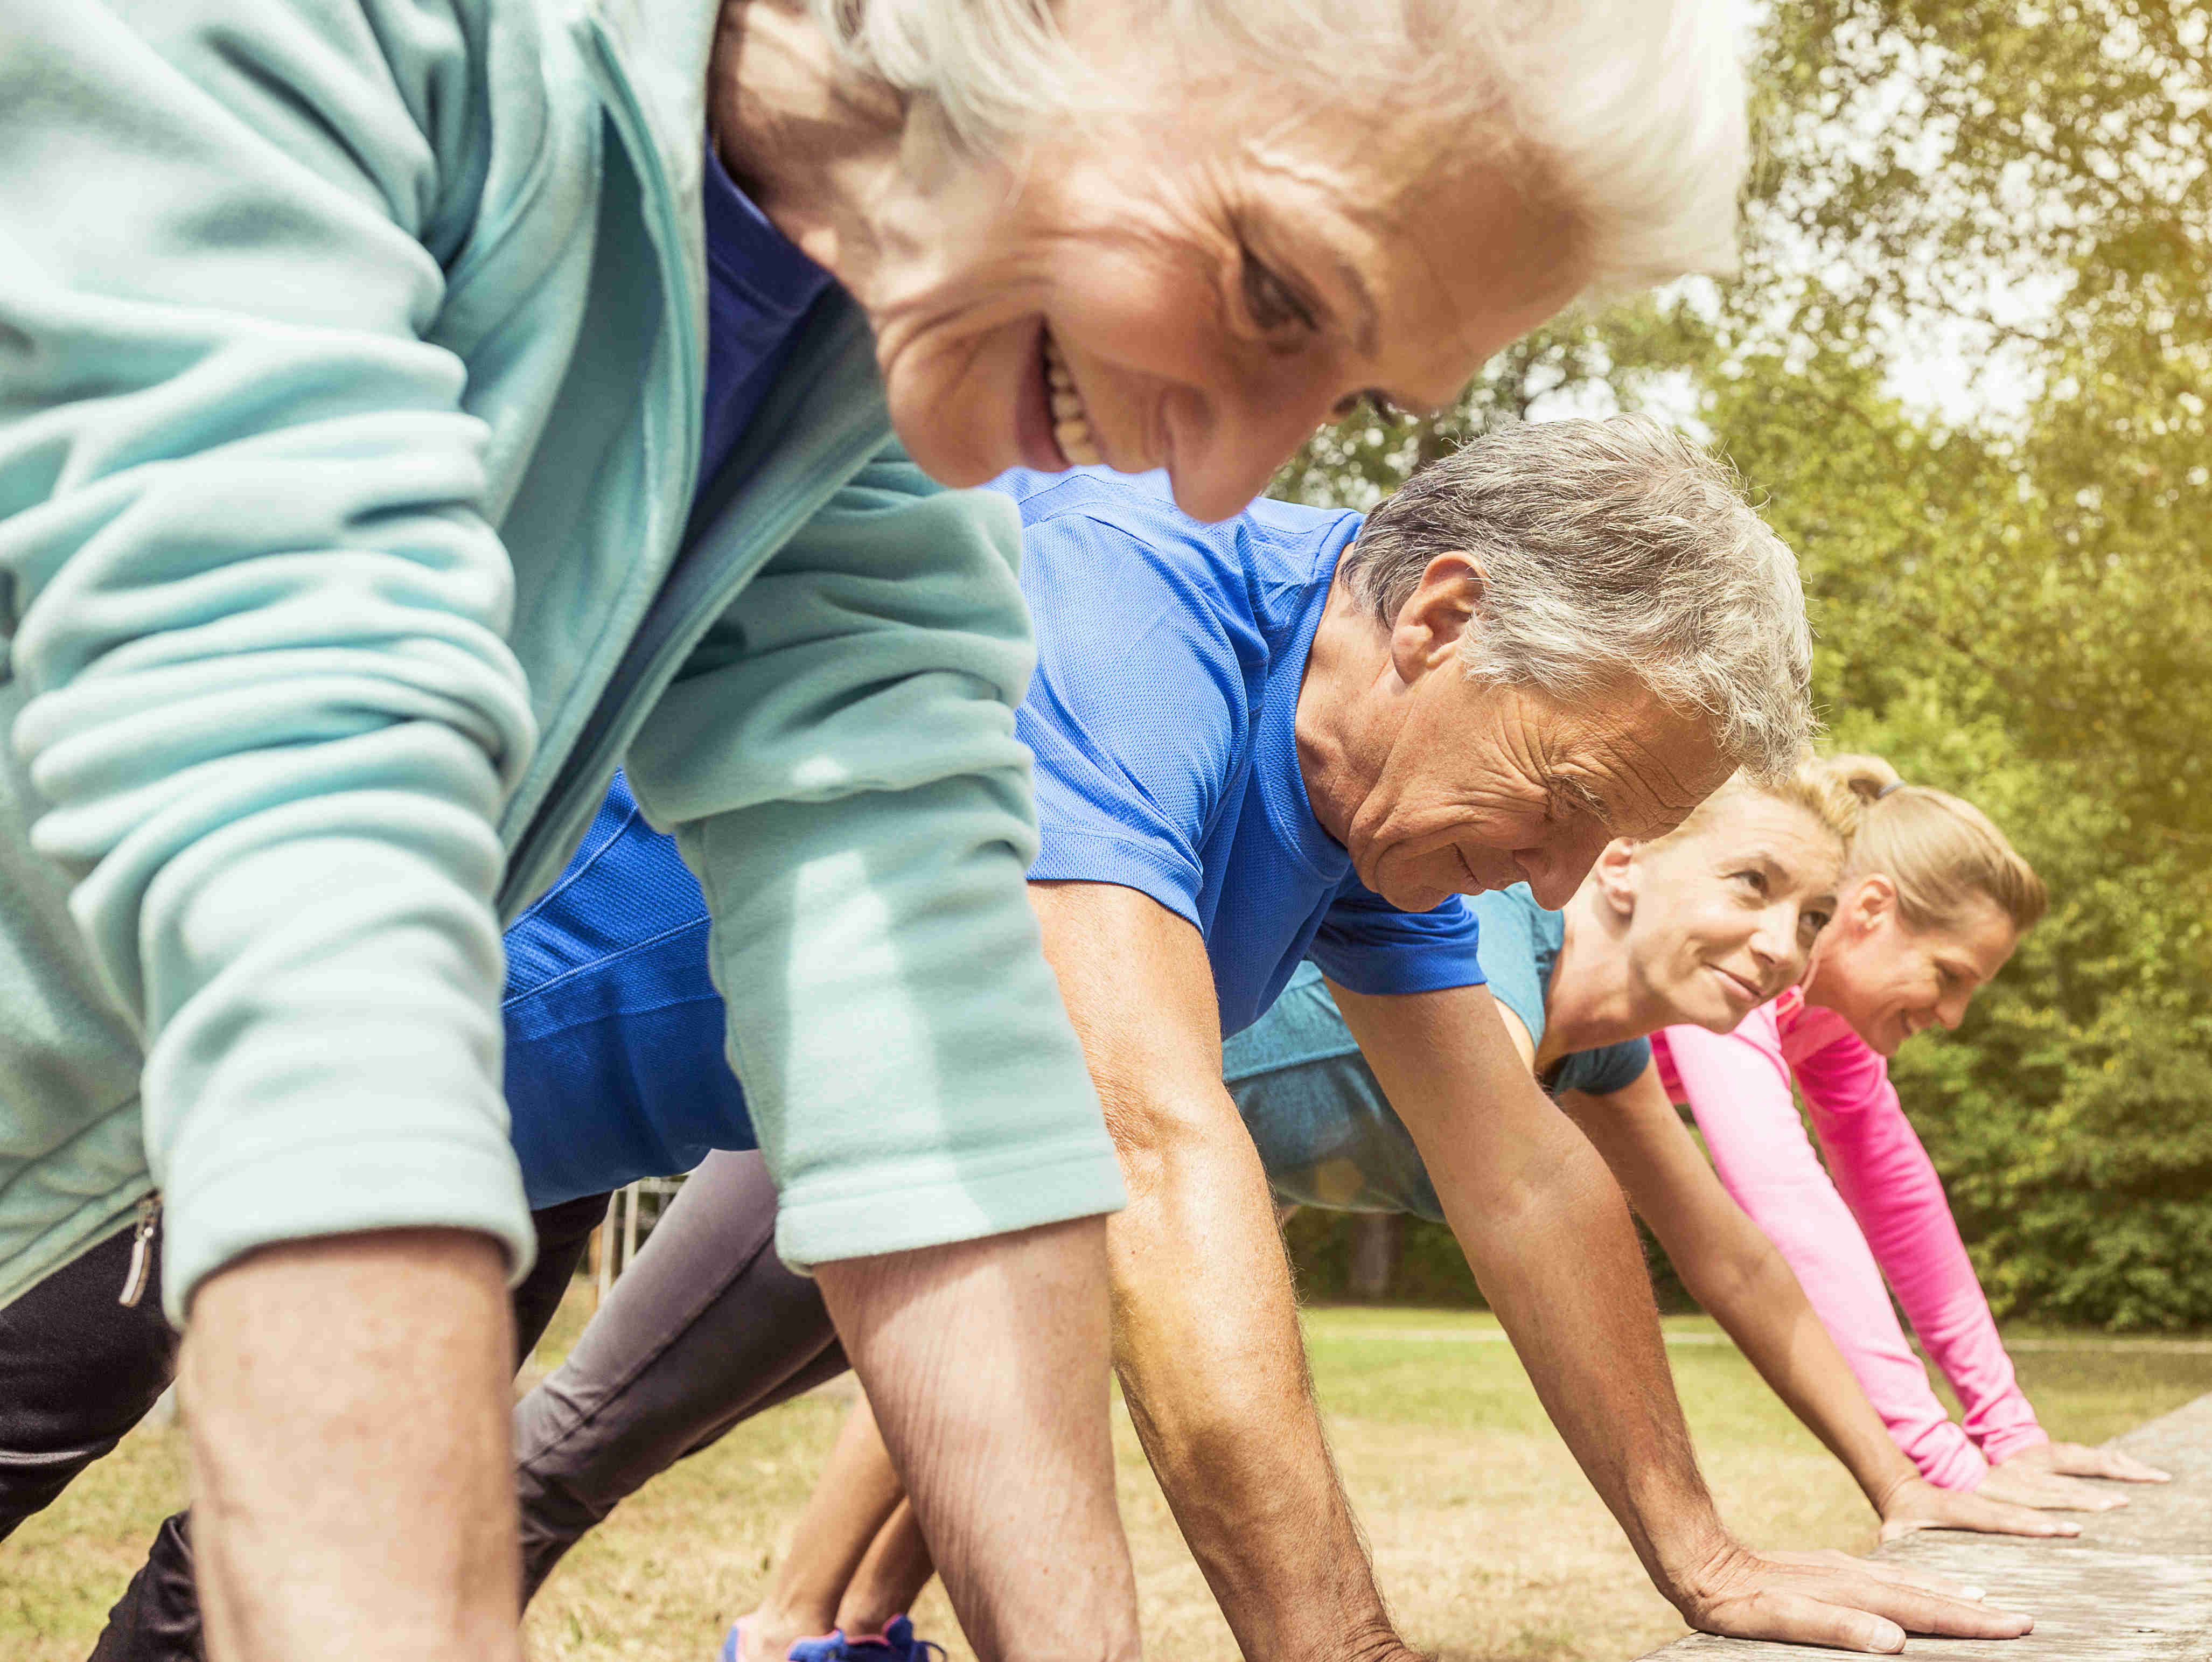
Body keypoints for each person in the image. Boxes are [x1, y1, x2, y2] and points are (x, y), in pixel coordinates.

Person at [0, 0, 1761, 1654]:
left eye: (1348, 393)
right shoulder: (350, 42)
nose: (1229, 473)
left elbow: (927, 1047)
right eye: (1270, 292)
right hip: (212, 1100)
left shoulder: (894, 385)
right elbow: (299, 809)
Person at [497, 436, 2033, 1659]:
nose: (1563, 885)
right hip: (359, 1090)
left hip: (527, 1163)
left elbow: (1521, 1176)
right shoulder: (1119, 606)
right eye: (1563, 799)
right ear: (1440, 618)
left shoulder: (1376, 805)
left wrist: (1704, 1551)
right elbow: (1151, 1143)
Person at [717, 760, 2093, 1662]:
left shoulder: (1601, 1052)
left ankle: (847, 1628)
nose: (1778, 952)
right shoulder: (1487, 949)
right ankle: (786, 1624)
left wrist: (1905, 1488)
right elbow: (1509, 1159)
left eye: (1800, 919)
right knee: (677, 1408)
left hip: (1087, 1203)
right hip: (945, 1113)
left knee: (1045, 1338)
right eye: (1752, 890)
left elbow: (1732, 1260)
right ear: (1621, 865)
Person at [1655, 758, 2172, 1510]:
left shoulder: (1825, 1016)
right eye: (1949, 975)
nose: (1953, 1016)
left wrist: (2009, 1432)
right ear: (1869, 908)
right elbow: (1786, 1201)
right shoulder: (1742, 955)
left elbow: (1900, 1201)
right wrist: (1947, 1461)